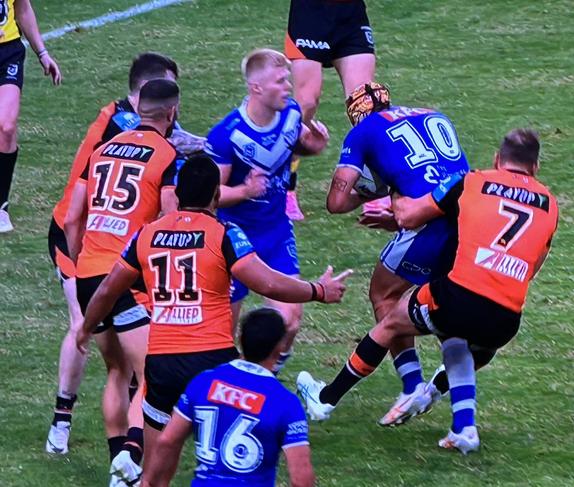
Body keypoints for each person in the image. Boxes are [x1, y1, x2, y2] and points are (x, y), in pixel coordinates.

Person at [76, 155, 350, 484]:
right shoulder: (224, 234)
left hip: (162, 362)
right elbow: (266, 282)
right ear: (216, 197)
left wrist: (86, 328)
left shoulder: (146, 235)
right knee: (225, 467)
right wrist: (318, 290)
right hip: (213, 361)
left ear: (176, 194)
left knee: (153, 473)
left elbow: (107, 290)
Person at [298, 129, 559, 454]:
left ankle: (325, 400)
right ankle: (463, 428)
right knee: (458, 338)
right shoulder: (550, 203)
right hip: (507, 318)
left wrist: (393, 184)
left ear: (497, 159)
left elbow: (408, 215)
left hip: (458, 297)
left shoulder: (471, 181)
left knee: (392, 319)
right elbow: (533, 267)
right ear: (535, 167)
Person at [46, 51, 190, 456]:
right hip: (125, 275)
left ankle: (113, 460)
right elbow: (168, 222)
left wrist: (80, 258)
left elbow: (74, 217)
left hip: (89, 269)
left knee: (116, 370)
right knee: (149, 375)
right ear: (172, 112)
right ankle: (130, 457)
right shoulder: (166, 156)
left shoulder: (104, 149)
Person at [326, 81, 470, 425]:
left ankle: (410, 384)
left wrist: (372, 189)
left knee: (384, 293)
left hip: (427, 225)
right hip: (468, 220)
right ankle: (465, 424)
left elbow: (336, 202)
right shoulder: (433, 113)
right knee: (454, 317)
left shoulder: (363, 132)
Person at [205, 48, 329, 375]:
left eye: (287, 78)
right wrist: (245, 191)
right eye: (280, 81)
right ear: (256, 88)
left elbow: (298, 144)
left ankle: (261, 380)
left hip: (275, 232)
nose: (288, 86)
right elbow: (211, 194)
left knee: (289, 321)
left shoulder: (290, 114)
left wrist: (314, 144)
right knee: (223, 336)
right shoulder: (226, 135)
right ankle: (224, 392)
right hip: (234, 241)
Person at [142, 308, 315, 487]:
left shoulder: (204, 382)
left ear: (240, 339)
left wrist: (149, 481)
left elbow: (167, 441)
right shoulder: (286, 404)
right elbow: (301, 480)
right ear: (280, 349)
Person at [283, 0, 378, 220]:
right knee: (306, 103)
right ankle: (286, 187)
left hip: (350, 16)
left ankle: (375, 188)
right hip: (310, 15)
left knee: (365, 104)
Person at [0, 0, 61, 232]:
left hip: (8, 53)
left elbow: (22, 8)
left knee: (6, 126)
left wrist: (42, 53)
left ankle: (1, 206)